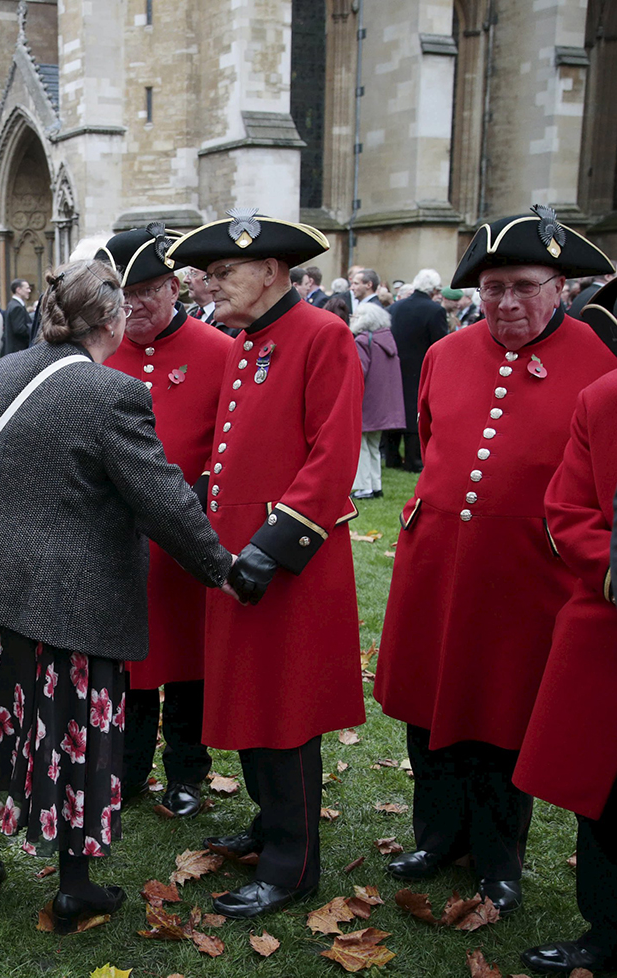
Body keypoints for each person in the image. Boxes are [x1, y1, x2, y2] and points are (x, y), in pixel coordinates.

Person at [0, 257, 234, 932]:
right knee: (69, 735)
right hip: (60, 600)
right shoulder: (109, 393)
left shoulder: (4, 370)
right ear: (113, 320)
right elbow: (162, 500)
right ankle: (74, 885)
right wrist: (222, 567)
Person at [373, 206, 617, 914]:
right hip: (438, 563)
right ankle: (437, 836)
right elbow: (428, 438)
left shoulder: (599, 364)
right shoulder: (447, 353)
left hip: (527, 573)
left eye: (522, 285)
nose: (506, 302)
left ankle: (498, 857)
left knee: (502, 718)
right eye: (492, 289)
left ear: (560, 288)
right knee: (428, 709)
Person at [166, 209, 366, 918]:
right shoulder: (247, 341)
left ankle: (293, 865)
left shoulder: (323, 334)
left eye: (222, 274)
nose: (206, 286)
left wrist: (272, 548)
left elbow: (332, 455)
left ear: (273, 271)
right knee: (250, 703)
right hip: (236, 557)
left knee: (284, 714)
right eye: (207, 274)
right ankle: (268, 825)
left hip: (285, 561)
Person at [97, 225, 234, 816]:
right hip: (116, 541)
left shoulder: (219, 351)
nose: (134, 305)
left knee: (186, 665)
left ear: (175, 286)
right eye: (122, 293)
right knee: (127, 663)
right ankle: (124, 772)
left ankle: (186, 772)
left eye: (147, 289)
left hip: (186, 538)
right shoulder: (97, 355)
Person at [512, 354, 617, 975]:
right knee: (606, 795)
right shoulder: (603, 400)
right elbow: (570, 511)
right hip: (609, 625)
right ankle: (606, 932)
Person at [381, 268, 448, 473]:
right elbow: (440, 343)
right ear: (434, 289)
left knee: (395, 409)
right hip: (420, 367)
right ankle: (413, 460)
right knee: (413, 411)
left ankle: (391, 456)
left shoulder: (395, 307)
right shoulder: (435, 310)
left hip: (394, 366)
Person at [350, 302, 405, 499]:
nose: (352, 319)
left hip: (367, 401)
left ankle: (365, 487)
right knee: (373, 445)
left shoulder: (363, 340)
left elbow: (358, 371)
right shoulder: (386, 339)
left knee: (362, 445)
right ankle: (375, 484)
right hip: (383, 402)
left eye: (355, 316)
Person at [3, 279, 32, 354]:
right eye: (27, 288)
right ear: (18, 290)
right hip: (18, 349)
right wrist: (32, 328)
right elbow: (19, 329)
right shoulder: (17, 307)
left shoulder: (13, 304)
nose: (29, 291)